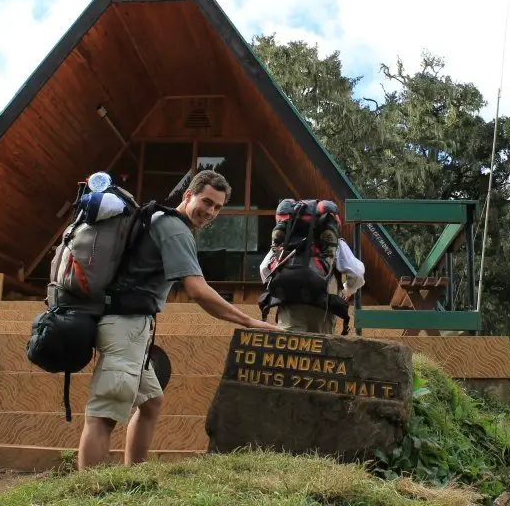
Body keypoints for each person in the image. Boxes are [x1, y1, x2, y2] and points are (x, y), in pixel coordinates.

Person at [77, 170, 277, 469]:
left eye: (217, 207)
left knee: (150, 403)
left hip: (133, 326)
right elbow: (197, 289)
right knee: (103, 415)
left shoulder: (164, 221)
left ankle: (136, 476)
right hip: (124, 326)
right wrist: (250, 322)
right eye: (206, 201)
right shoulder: (174, 227)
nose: (209, 212)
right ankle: (86, 495)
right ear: (188, 195)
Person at [258, 199, 366, 334]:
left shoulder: (285, 244)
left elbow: (264, 269)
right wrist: (347, 291)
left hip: (288, 308)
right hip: (322, 308)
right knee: (319, 350)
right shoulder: (335, 244)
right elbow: (357, 273)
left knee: (289, 350)